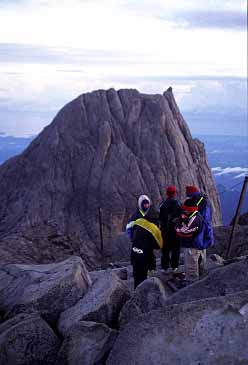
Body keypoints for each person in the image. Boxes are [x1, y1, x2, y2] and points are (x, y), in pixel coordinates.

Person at [130, 206, 163, 288]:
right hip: (146, 257)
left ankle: (136, 294)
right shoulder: (154, 229)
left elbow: (131, 235)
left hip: (134, 253)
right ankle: (143, 296)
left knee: (136, 277)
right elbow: (159, 245)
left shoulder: (137, 222)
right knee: (144, 279)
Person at [175, 199, 206, 284]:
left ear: (190, 210)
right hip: (199, 245)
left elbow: (182, 231)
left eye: (186, 209)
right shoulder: (197, 215)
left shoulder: (194, 219)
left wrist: (177, 225)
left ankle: (192, 284)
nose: (184, 211)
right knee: (199, 264)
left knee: (191, 267)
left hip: (192, 247)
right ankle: (201, 281)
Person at [126, 195, 157, 272]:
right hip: (138, 239)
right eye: (144, 204)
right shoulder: (136, 215)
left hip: (148, 239)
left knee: (150, 254)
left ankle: (151, 269)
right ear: (140, 204)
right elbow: (129, 227)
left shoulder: (151, 214)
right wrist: (131, 237)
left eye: (147, 204)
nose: (146, 205)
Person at [159, 186, 182, 273]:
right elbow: (181, 217)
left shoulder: (163, 205)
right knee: (175, 249)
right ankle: (174, 266)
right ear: (175, 193)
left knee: (165, 249)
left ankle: (164, 267)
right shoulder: (178, 204)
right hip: (175, 231)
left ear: (167, 193)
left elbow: (160, 218)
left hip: (165, 231)